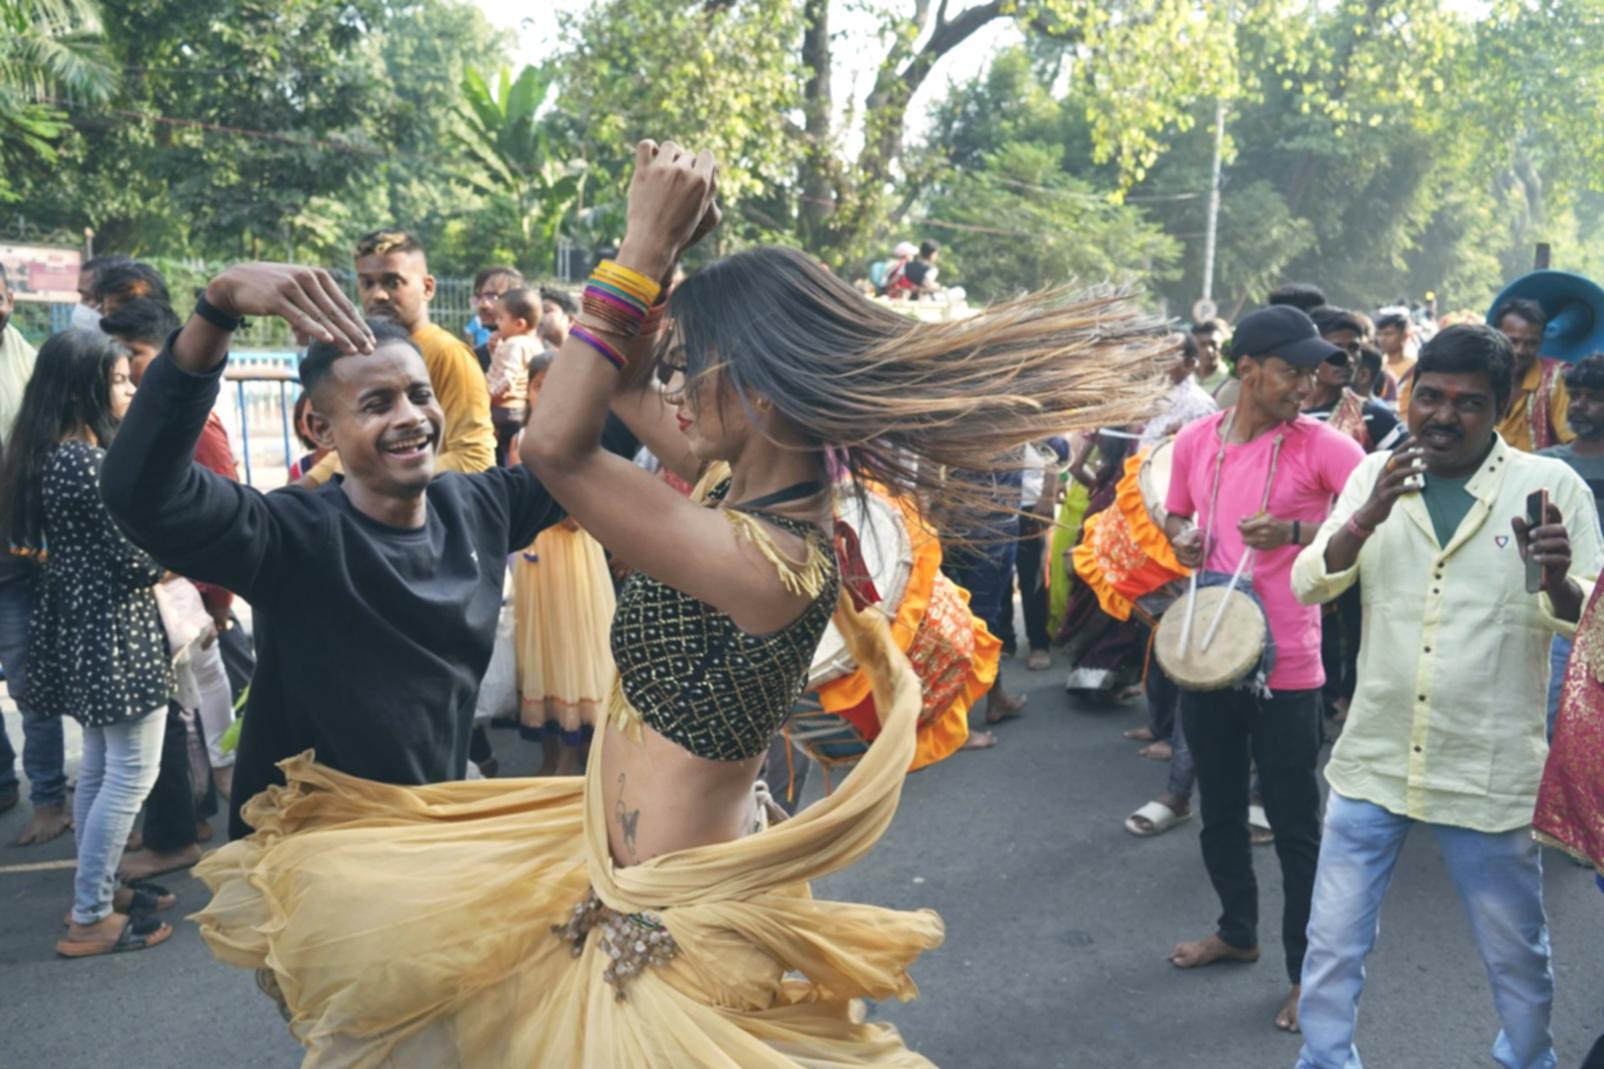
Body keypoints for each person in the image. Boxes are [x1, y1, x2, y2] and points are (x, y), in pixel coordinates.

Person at [180, 140, 1167, 1065]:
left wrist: (644, 245)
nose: (674, 387)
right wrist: (656, 283)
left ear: (761, 392)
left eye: (693, 367)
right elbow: (624, 398)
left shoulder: (771, 561)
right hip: (605, 887)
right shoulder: (733, 490)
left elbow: (557, 447)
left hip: (676, 932)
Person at [1290, 323, 1600, 1069]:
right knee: (1332, 940)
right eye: (1429, 396)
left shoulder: (1548, 487)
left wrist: (1558, 581)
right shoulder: (1376, 474)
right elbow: (1310, 581)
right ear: (1410, 394)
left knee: (1514, 948)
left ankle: (1526, 1057)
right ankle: (1325, 1059)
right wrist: (1365, 517)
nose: (1443, 415)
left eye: (1468, 403)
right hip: (1374, 756)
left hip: (1486, 766)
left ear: (1499, 408)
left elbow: (1591, 623)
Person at [1162, 305, 1365, 1033]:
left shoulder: (1324, 446)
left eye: (1313, 373)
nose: (1307, 386)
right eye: (1292, 371)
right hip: (1211, 653)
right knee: (1218, 809)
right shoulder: (1196, 441)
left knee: (1296, 826)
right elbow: (1175, 513)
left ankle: (1307, 974)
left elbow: (1380, 516)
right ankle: (1237, 930)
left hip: (1291, 666)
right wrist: (1181, 535)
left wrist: (1297, 531)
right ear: (1247, 369)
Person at [0, 329, 176, 957]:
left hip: (89, 631)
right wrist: (172, 554)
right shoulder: (85, 462)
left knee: (103, 766)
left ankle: (98, 890)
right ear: (83, 392)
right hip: (116, 635)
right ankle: (90, 916)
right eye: (120, 381)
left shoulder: (52, 453)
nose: (130, 391)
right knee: (130, 774)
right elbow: (137, 558)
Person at [102, 297, 242, 876]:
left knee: (212, 725)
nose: (123, 369)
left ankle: (242, 830)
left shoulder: (194, 422)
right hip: (175, 600)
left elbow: (227, 514)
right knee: (192, 722)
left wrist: (218, 601)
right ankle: (197, 821)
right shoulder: (142, 421)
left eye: (131, 356)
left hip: (196, 600)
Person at [298, 229, 496, 486]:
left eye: (392, 282)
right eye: (367, 283)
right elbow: (350, 452)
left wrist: (380, 473)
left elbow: (476, 459)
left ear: (427, 288)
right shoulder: (366, 354)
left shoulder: (448, 354)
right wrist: (307, 485)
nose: (378, 295)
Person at [510, 350, 616, 775]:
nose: (545, 394)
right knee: (544, 651)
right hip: (538, 561)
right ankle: (551, 757)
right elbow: (520, 501)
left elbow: (577, 516)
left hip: (574, 560)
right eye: (538, 386)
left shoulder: (583, 438)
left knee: (576, 646)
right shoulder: (521, 439)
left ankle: (578, 759)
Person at [0, 262, 71, 845]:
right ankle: (4, 782)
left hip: (16, 553)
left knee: (30, 682)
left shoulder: (30, 362)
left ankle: (48, 800)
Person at [1539, 352, 1604, 739]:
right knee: (1555, 722)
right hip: (1562, 613)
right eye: (1575, 395)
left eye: (1594, 398)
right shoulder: (1546, 466)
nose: (1580, 405)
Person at [1304, 307, 1401, 453]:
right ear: (1311, 351)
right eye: (1335, 348)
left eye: (1354, 348)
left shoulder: (1371, 417)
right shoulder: (1281, 415)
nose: (1348, 359)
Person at [1494, 297, 1573, 453]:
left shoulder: (1557, 377)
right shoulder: (1479, 375)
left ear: (1541, 342)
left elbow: (1573, 443)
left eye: (1531, 343)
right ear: (1496, 336)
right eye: (1513, 341)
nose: (1520, 351)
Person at [486, 286, 541, 464]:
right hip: (520, 409)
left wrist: (488, 395)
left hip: (503, 409)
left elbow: (508, 376)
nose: (497, 323)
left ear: (519, 324)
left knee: (499, 451)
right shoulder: (534, 344)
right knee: (510, 451)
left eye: (501, 318)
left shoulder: (514, 344)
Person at [466, 264, 523, 354]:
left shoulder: (532, 353)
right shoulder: (478, 356)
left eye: (491, 297)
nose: (482, 305)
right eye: (478, 297)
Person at [1374, 310, 1414, 402]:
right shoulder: (1377, 366)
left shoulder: (1414, 368)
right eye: (1379, 334)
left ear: (1405, 335)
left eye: (1388, 334)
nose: (1382, 339)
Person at [1193, 318, 1233, 400]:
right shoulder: (1185, 379)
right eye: (1202, 345)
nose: (1209, 350)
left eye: (1213, 344)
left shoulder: (1230, 381)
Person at [539, 285, 575, 350]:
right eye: (538, 312)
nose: (540, 316)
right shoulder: (532, 350)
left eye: (546, 310)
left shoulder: (584, 351)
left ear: (570, 320)